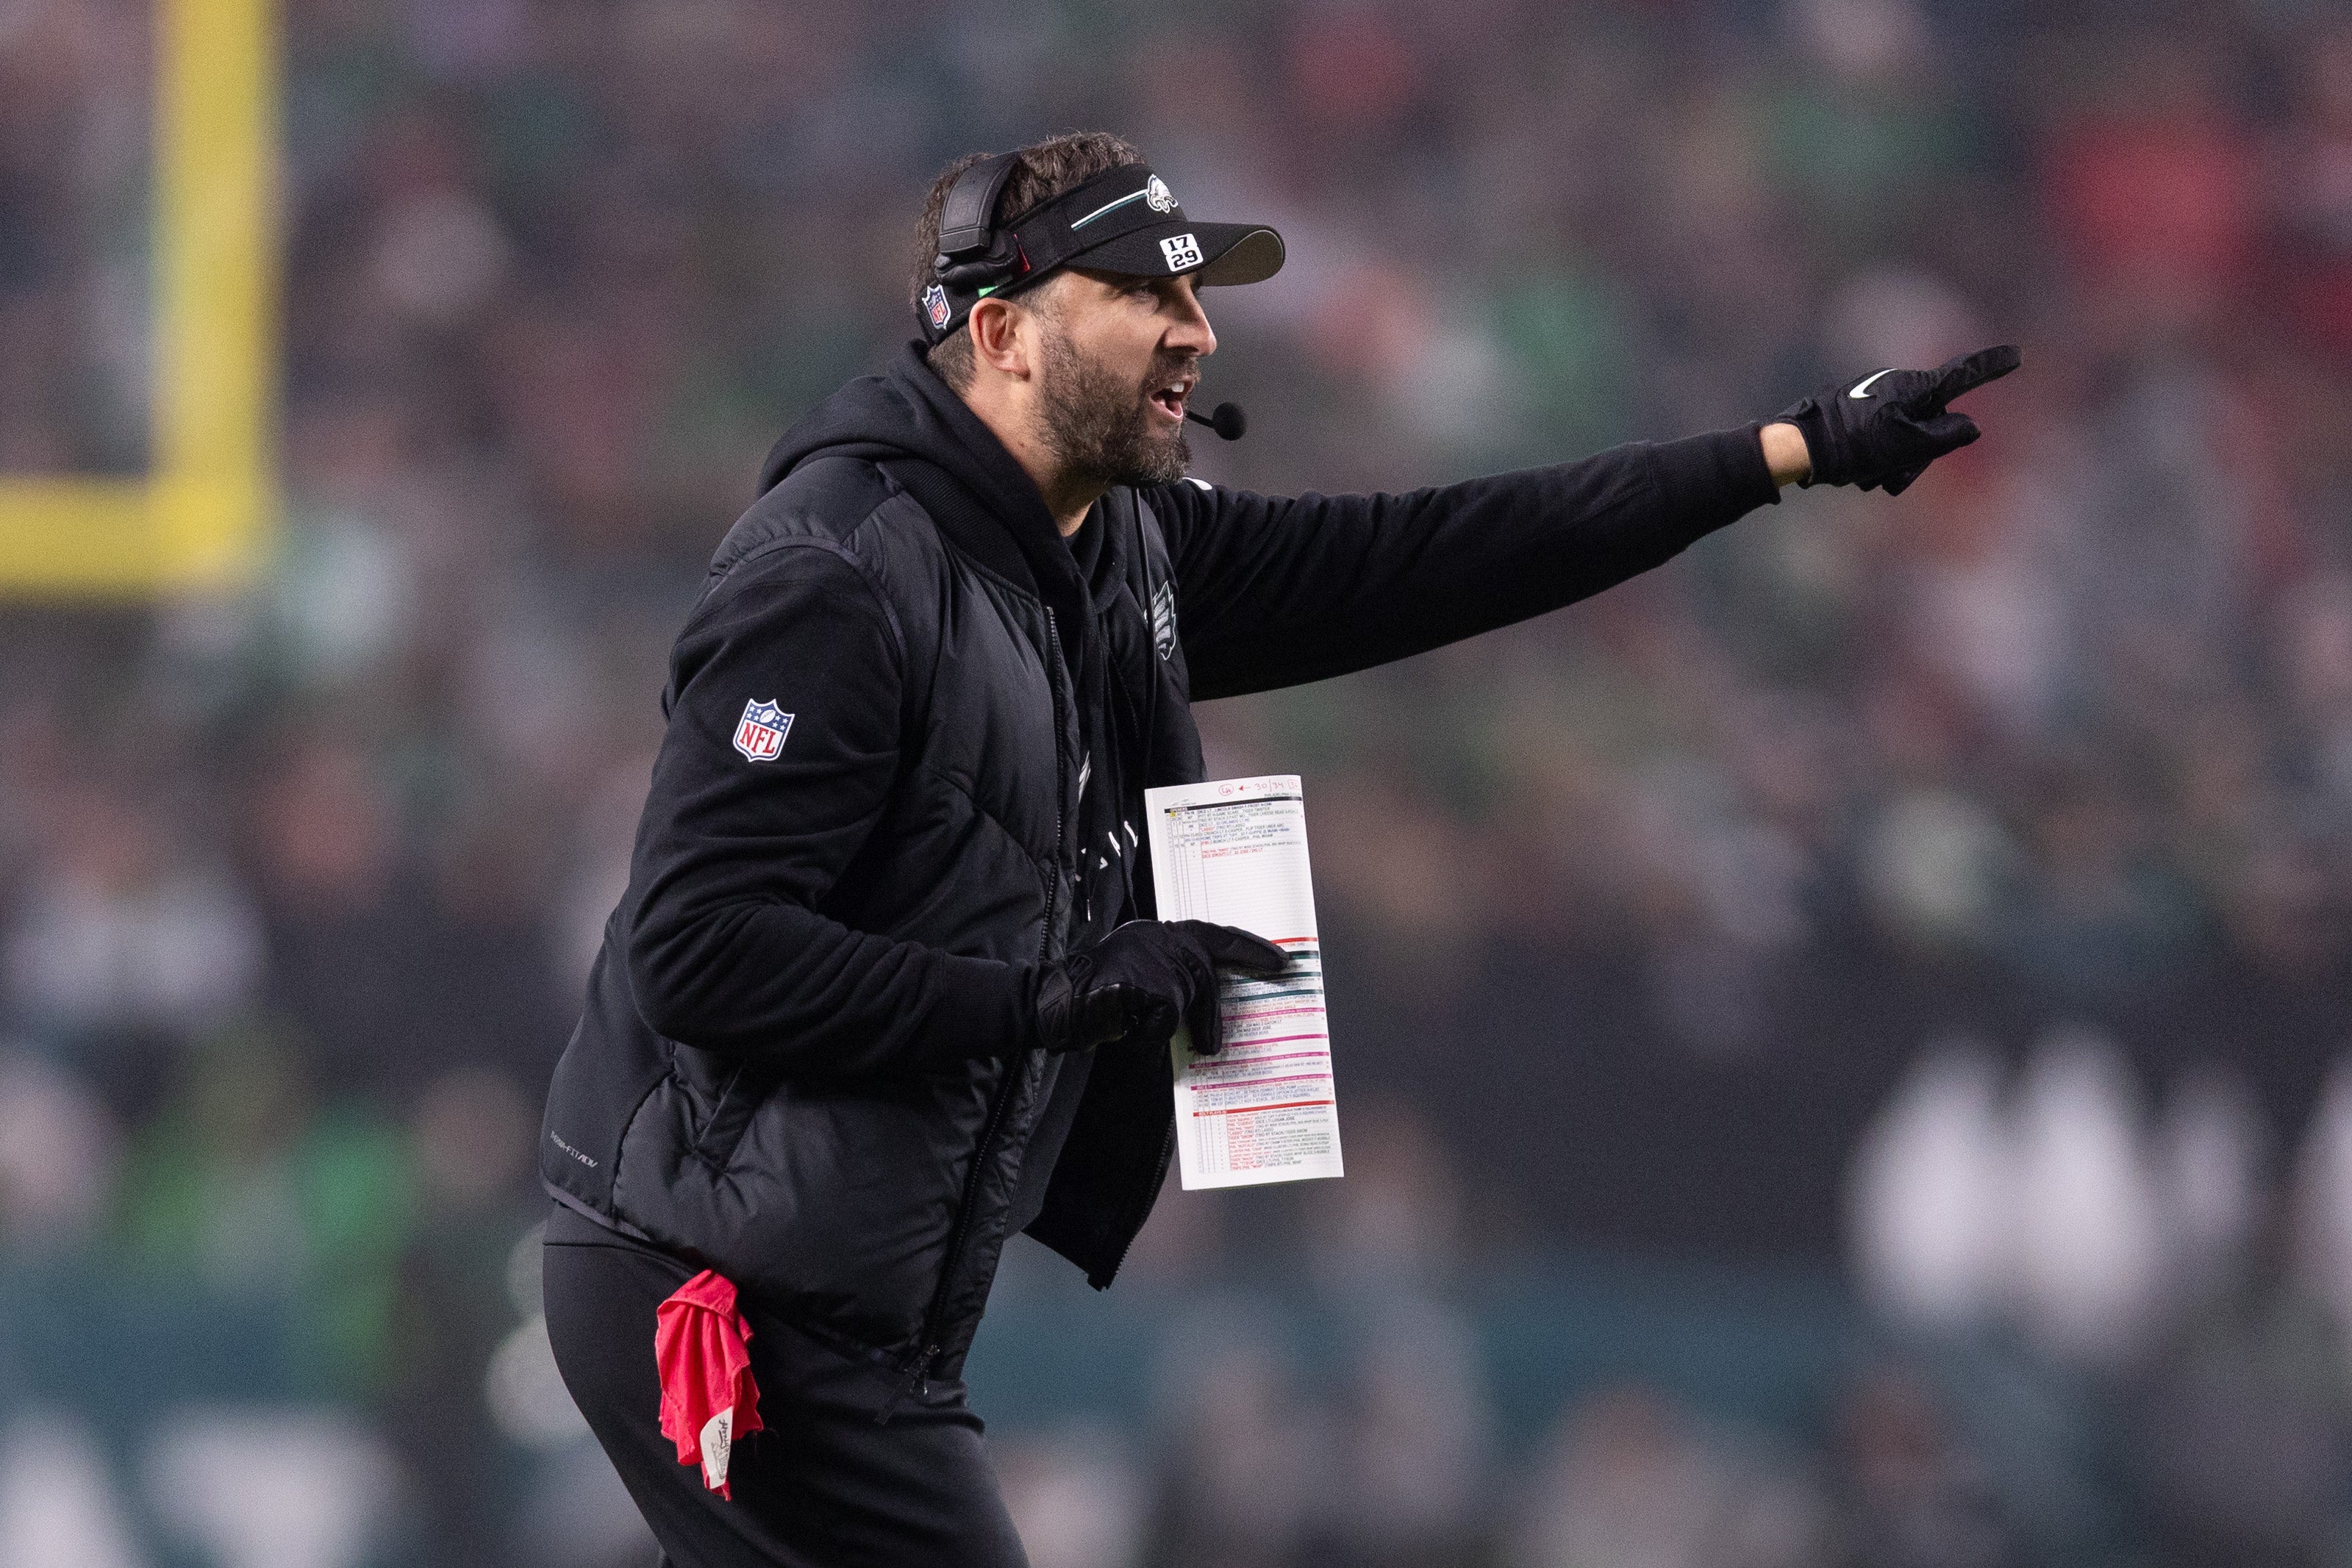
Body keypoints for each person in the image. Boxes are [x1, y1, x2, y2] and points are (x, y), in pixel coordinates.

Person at [536, 129, 2017, 1565]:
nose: (1198, 333)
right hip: (722, 1289)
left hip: (833, 1287)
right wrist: (1045, 996)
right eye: (1146, 294)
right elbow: (698, 950)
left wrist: (1786, 451)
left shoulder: (1116, 546)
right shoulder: (836, 572)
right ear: (1001, 333)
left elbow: (1439, 552)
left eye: (1195, 294)